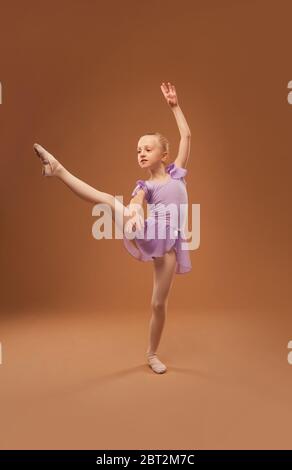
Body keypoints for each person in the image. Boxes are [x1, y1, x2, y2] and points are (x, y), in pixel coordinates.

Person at [33, 81, 192, 374]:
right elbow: (136, 201)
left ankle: (151, 354)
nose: (141, 153)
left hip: (169, 248)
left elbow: (186, 135)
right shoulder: (145, 185)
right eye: (137, 150)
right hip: (145, 233)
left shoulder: (177, 175)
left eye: (147, 148)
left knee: (159, 304)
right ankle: (58, 169)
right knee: (108, 200)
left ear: (164, 155)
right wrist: (131, 212)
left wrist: (175, 106)